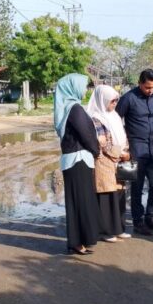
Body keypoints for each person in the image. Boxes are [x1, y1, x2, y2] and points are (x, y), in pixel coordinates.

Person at [53, 73, 101, 255]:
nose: (84, 90)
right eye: (82, 86)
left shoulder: (65, 108)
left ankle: (78, 241)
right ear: (72, 87)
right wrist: (97, 150)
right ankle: (77, 242)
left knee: (76, 202)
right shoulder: (75, 109)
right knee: (81, 202)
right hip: (78, 160)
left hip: (72, 160)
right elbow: (87, 135)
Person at [116, 69, 153, 236]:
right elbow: (116, 122)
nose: (150, 90)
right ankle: (138, 222)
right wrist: (125, 145)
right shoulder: (128, 98)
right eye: (147, 87)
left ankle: (150, 217)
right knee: (136, 187)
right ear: (140, 83)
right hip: (136, 150)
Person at [87, 85, 132, 242]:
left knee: (119, 195)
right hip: (105, 162)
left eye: (116, 100)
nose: (114, 104)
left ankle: (119, 229)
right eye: (111, 101)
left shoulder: (115, 116)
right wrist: (120, 154)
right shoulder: (96, 119)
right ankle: (106, 232)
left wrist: (126, 151)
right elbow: (102, 143)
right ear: (102, 100)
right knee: (106, 196)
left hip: (119, 160)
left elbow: (123, 135)